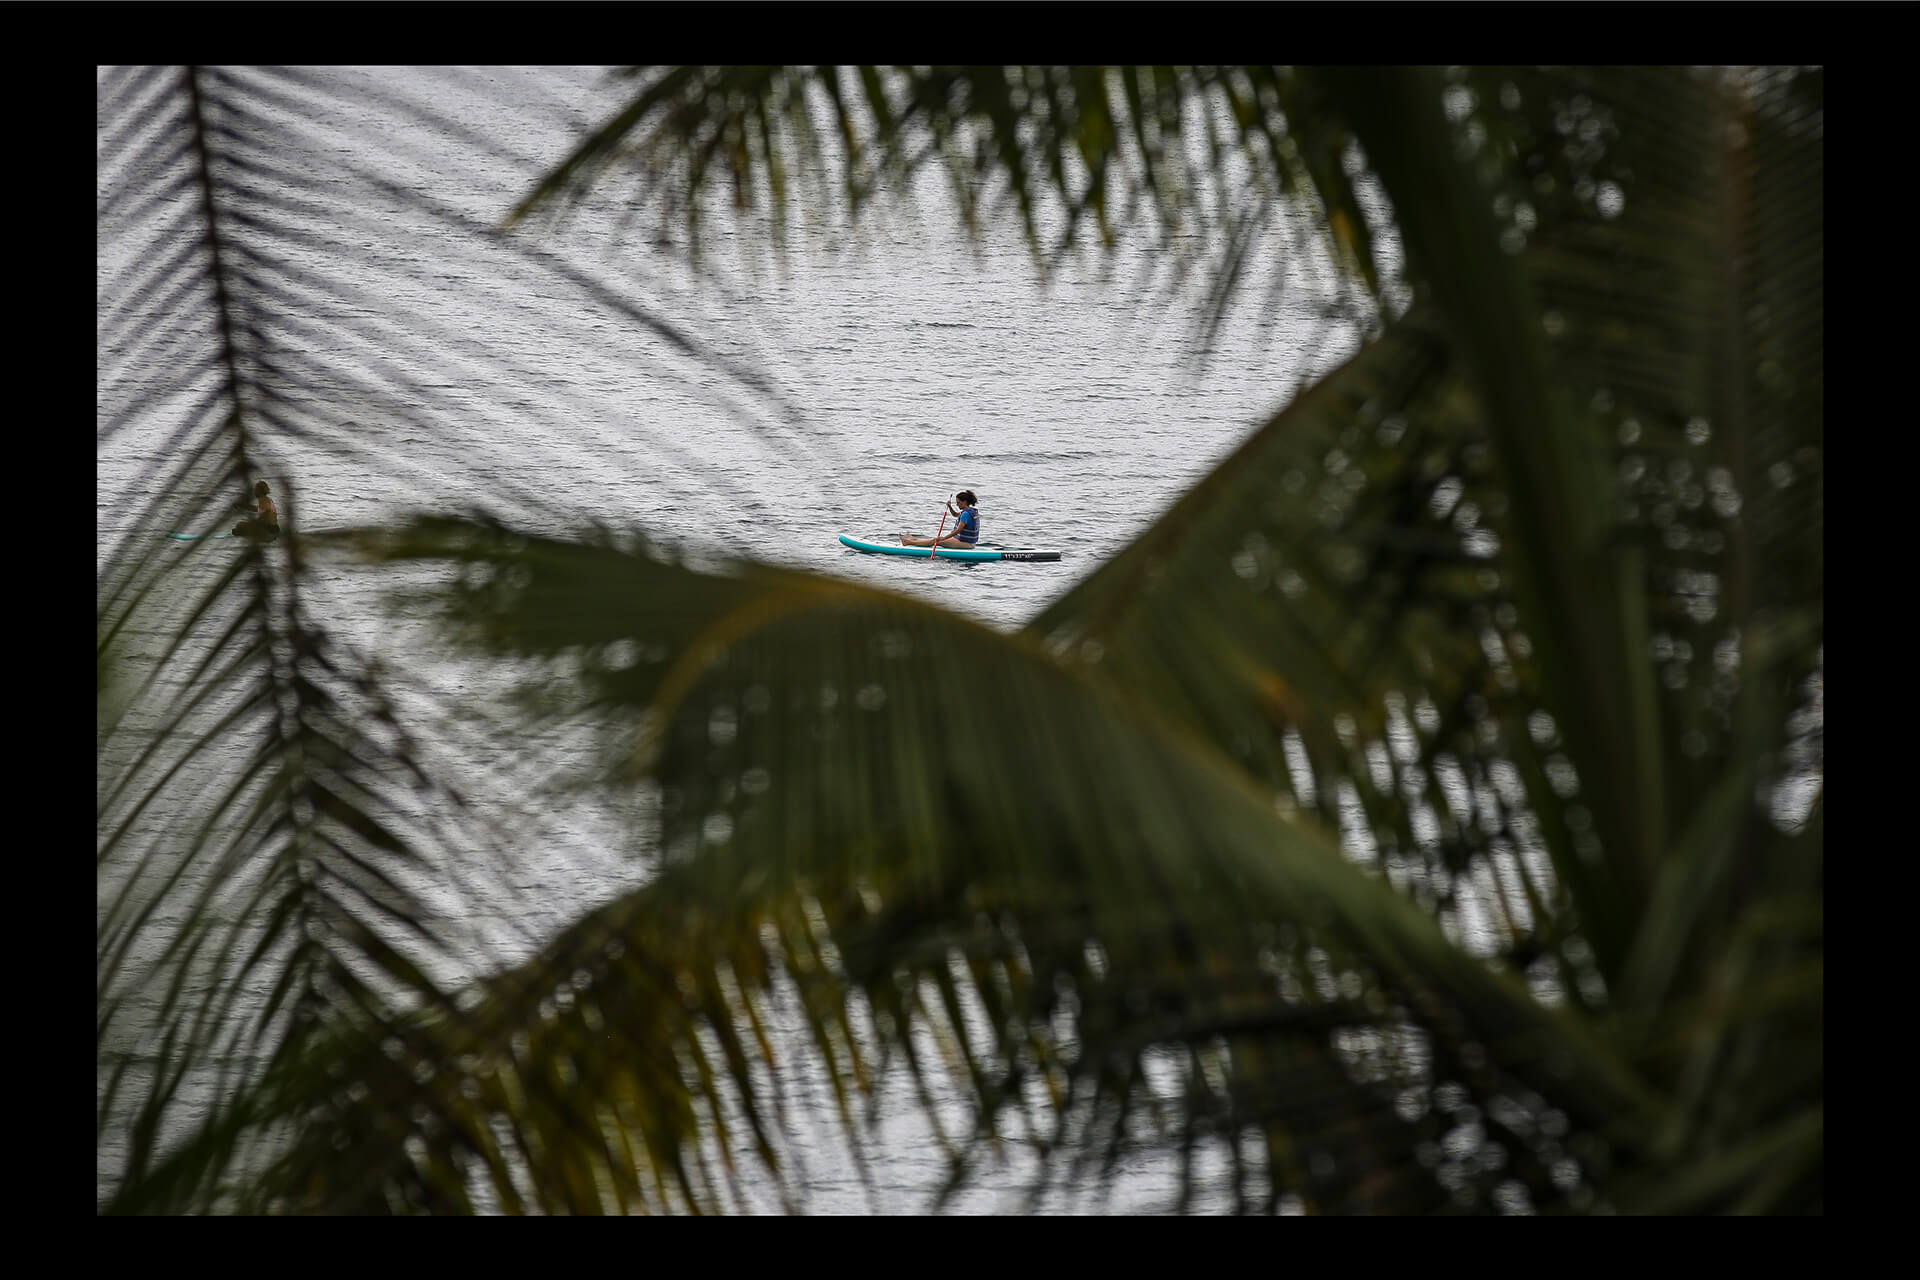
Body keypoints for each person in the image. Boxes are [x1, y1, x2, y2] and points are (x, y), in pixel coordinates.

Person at [900, 490, 980, 549]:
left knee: (936, 540)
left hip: (966, 543)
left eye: (958, 502)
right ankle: (914, 539)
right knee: (936, 539)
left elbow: (958, 530)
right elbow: (955, 514)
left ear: (965, 502)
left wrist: (944, 538)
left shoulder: (965, 514)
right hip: (968, 542)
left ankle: (908, 542)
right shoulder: (971, 511)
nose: (957, 504)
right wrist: (950, 507)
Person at [232, 479, 281, 543]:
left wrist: (255, 524)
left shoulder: (264, 500)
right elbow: (258, 509)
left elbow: (268, 511)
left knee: (239, 525)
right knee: (241, 525)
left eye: (255, 489)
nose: (254, 491)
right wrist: (243, 506)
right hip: (275, 529)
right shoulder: (266, 499)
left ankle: (242, 533)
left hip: (268, 531)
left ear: (259, 491)